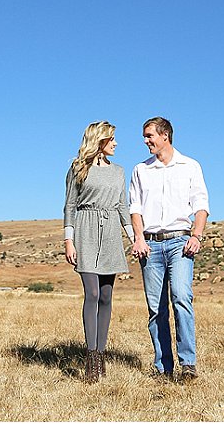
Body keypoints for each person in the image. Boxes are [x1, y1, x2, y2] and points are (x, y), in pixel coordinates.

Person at [129, 117, 209, 381]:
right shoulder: (140, 170)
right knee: (156, 308)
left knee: (181, 298)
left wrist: (196, 236)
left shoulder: (190, 166)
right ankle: (164, 367)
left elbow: (201, 205)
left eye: (149, 135)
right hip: (150, 245)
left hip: (180, 243)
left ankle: (188, 364)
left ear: (165, 135)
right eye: (145, 136)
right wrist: (138, 238)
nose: (145, 141)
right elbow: (135, 208)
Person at [63, 120, 135, 383]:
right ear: (100, 140)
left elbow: (122, 206)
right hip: (86, 230)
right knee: (92, 293)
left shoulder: (118, 171)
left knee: (106, 296)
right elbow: (69, 206)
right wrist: (68, 241)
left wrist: (135, 238)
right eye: (111, 138)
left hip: (111, 233)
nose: (116, 143)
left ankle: (101, 356)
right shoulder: (78, 168)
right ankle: (91, 356)